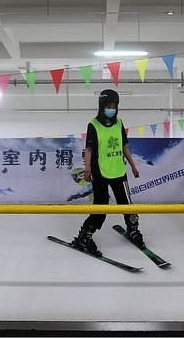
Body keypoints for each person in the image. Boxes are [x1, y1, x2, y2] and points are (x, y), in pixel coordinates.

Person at [72, 89, 142, 256]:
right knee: (101, 207)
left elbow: (124, 146)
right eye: (108, 105)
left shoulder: (119, 124)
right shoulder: (93, 125)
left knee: (127, 205)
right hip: (100, 172)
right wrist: (87, 170)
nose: (111, 108)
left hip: (118, 169)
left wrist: (133, 165)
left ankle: (132, 229)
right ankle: (84, 236)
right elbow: (88, 149)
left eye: (114, 105)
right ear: (101, 106)